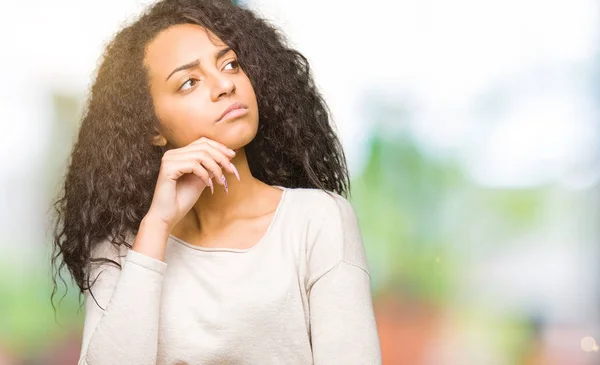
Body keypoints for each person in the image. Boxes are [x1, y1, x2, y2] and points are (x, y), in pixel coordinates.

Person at [51, 0, 381, 364]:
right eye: (189, 82)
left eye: (230, 64)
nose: (225, 84)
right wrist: (157, 226)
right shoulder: (119, 247)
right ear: (152, 129)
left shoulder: (318, 220)